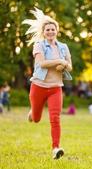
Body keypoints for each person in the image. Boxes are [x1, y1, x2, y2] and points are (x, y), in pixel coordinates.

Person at [22, 8, 73, 159]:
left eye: (53, 29)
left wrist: (64, 66)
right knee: (36, 119)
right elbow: (42, 64)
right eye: (47, 30)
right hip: (38, 87)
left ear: (57, 31)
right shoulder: (39, 45)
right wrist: (59, 61)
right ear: (44, 32)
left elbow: (69, 66)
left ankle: (56, 148)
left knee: (55, 118)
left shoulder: (63, 47)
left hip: (56, 88)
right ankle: (33, 112)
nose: (50, 32)